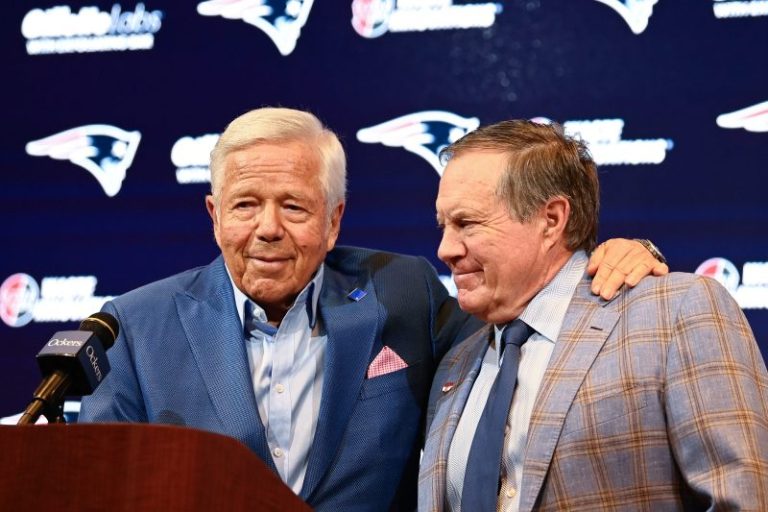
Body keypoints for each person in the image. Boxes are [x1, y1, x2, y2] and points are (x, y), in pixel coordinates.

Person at [79, 108, 665, 511]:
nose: (268, 228)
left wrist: (615, 256)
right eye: (245, 205)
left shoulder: (402, 291)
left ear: (334, 220)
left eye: (294, 207)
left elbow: (524, 324)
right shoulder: (135, 326)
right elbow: (99, 490)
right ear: (214, 215)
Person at [419, 119, 768, 511]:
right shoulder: (455, 364)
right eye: (443, 226)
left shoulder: (675, 312)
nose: (445, 249)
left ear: (551, 220)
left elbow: (746, 498)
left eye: (466, 223)